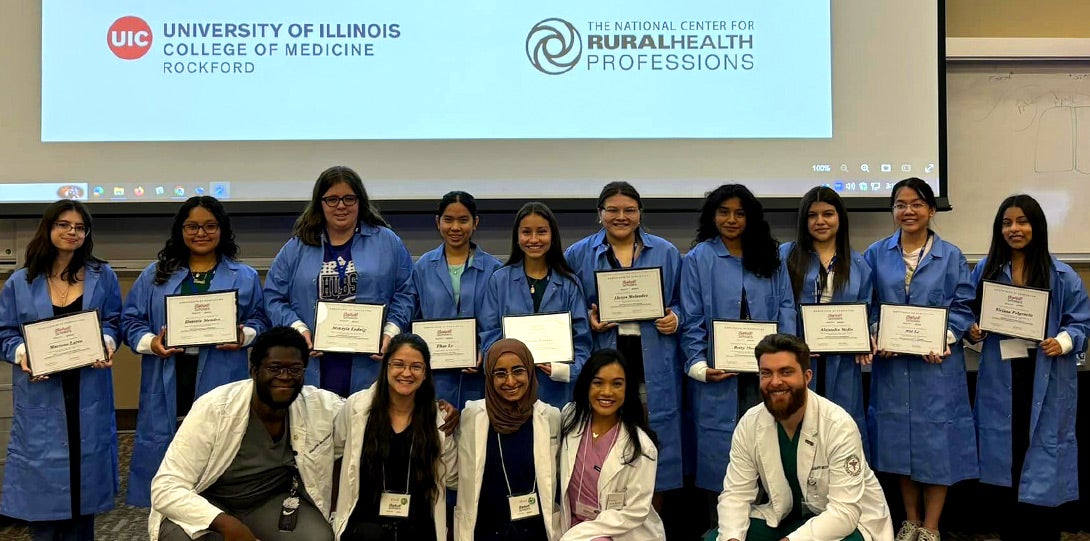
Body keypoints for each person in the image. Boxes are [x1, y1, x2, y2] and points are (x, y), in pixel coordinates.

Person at [123, 196, 269, 507]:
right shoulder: (154, 274)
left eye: (209, 226)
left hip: (221, 373)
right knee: (169, 462)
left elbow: (260, 319)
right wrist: (152, 343)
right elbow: (130, 321)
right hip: (169, 374)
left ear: (222, 230)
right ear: (180, 230)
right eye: (192, 226)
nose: (200, 233)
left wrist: (244, 335)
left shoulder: (243, 276)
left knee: (218, 453)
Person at [967, 194, 1090, 541]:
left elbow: (1081, 323)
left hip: (1045, 375)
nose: (1014, 229)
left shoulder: (1061, 274)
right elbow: (968, 313)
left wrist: (1063, 341)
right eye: (1007, 223)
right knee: (1005, 453)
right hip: (1002, 374)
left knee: (1042, 453)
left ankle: (1042, 532)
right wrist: (973, 329)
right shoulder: (987, 270)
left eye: (1022, 222)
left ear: (1036, 226)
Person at [150, 327, 343, 541]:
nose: (285, 377)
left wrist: (388, 366)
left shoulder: (321, 405)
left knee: (317, 538)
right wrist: (228, 524)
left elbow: (363, 412)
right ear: (254, 371)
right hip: (208, 502)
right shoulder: (215, 407)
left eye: (295, 369)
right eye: (275, 368)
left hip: (270, 502)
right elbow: (165, 487)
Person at [0, 200, 122, 540]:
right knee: (43, 487)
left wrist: (106, 343)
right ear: (48, 228)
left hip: (88, 387)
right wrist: (23, 353)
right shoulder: (20, 282)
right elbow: (4, 332)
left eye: (80, 227)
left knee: (84, 487)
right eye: (64, 225)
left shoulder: (103, 275)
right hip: (42, 389)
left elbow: (114, 322)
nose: (72, 232)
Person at [863, 178, 977, 541]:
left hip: (937, 367)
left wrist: (944, 337)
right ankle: (909, 519)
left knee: (936, 443)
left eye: (916, 204)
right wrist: (879, 332)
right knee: (899, 442)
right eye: (900, 204)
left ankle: (931, 526)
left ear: (930, 209)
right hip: (893, 366)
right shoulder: (876, 254)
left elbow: (963, 307)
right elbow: (867, 304)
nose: (907, 211)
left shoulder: (952, 255)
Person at [710, 333, 894, 541]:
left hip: (844, 522)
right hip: (785, 518)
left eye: (786, 372)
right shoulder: (750, 423)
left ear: (807, 377)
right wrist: (732, 538)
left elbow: (844, 512)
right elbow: (736, 494)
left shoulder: (838, 424)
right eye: (766, 373)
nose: (775, 382)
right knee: (718, 536)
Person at [563, 181, 684, 494]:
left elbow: (685, 301)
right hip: (605, 355)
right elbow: (569, 305)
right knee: (605, 438)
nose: (621, 217)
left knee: (654, 442)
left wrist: (675, 318)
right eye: (613, 210)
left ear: (640, 214)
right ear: (599, 214)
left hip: (652, 358)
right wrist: (587, 319)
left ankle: (652, 521)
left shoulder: (666, 251)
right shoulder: (577, 254)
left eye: (629, 210)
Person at [679, 185, 797, 506]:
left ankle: (765, 518)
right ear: (712, 216)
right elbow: (691, 318)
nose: (731, 219)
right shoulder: (698, 259)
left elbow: (786, 307)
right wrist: (699, 365)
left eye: (740, 213)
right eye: (724, 212)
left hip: (765, 373)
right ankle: (720, 525)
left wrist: (786, 361)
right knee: (718, 451)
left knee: (765, 440)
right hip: (719, 372)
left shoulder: (770, 256)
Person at [264, 165, 415, 397]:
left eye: (348, 198)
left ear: (359, 201)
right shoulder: (296, 247)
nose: (341, 206)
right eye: (332, 199)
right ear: (320, 203)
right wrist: (298, 331)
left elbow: (406, 292)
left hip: (370, 361)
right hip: (315, 362)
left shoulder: (388, 242)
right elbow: (273, 297)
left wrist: (390, 333)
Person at [332, 333, 457, 541]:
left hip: (419, 529)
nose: (406, 373)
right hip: (364, 529)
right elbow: (335, 452)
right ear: (386, 367)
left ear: (425, 373)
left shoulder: (439, 419)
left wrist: (455, 429)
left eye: (416, 367)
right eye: (398, 364)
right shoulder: (357, 407)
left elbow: (452, 478)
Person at [781, 186, 874, 458]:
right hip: (798, 357)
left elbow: (868, 309)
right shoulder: (786, 256)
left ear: (840, 218)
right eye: (812, 215)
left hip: (843, 362)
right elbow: (781, 304)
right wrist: (794, 342)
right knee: (797, 426)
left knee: (843, 426)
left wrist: (866, 336)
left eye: (828, 214)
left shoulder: (858, 263)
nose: (820, 221)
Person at [479, 202, 592, 407]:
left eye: (541, 232)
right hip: (509, 390)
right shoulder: (499, 280)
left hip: (558, 392)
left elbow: (582, 342)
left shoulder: (569, 283)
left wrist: (564, 370)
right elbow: (489, 337)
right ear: (517, 236)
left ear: (553, 235)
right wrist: (506, 370)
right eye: (526, 232)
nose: (533, 239)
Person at [454, 338, 563, 541]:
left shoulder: (550, 417)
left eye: (518, 371)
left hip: (536, 532)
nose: (510, 381)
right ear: (489, 377)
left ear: (530, 372)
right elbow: (455, 477)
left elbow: (557, 476)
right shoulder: (471, 416)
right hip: (486, 532)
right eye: (500, 374)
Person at [558, 349, 665, 540]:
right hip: (574, 523)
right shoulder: (570, 416)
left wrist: (578, 533)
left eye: (617, 384)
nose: (607, 392)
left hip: (618, 530)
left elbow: (635, 512)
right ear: (586, 384)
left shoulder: (641, 447)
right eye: (598, 383)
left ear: (627, 389)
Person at [411, 191, 502, 407]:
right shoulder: (422, 267)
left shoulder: (495, 269)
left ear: (475, 223)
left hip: (479, 376)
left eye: (463, 220)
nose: (455, 227)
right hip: (434, 377)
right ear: (437, 222)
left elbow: (499, 322)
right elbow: (413, 317)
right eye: (448, 220)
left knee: (475, 433)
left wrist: (485, 351)